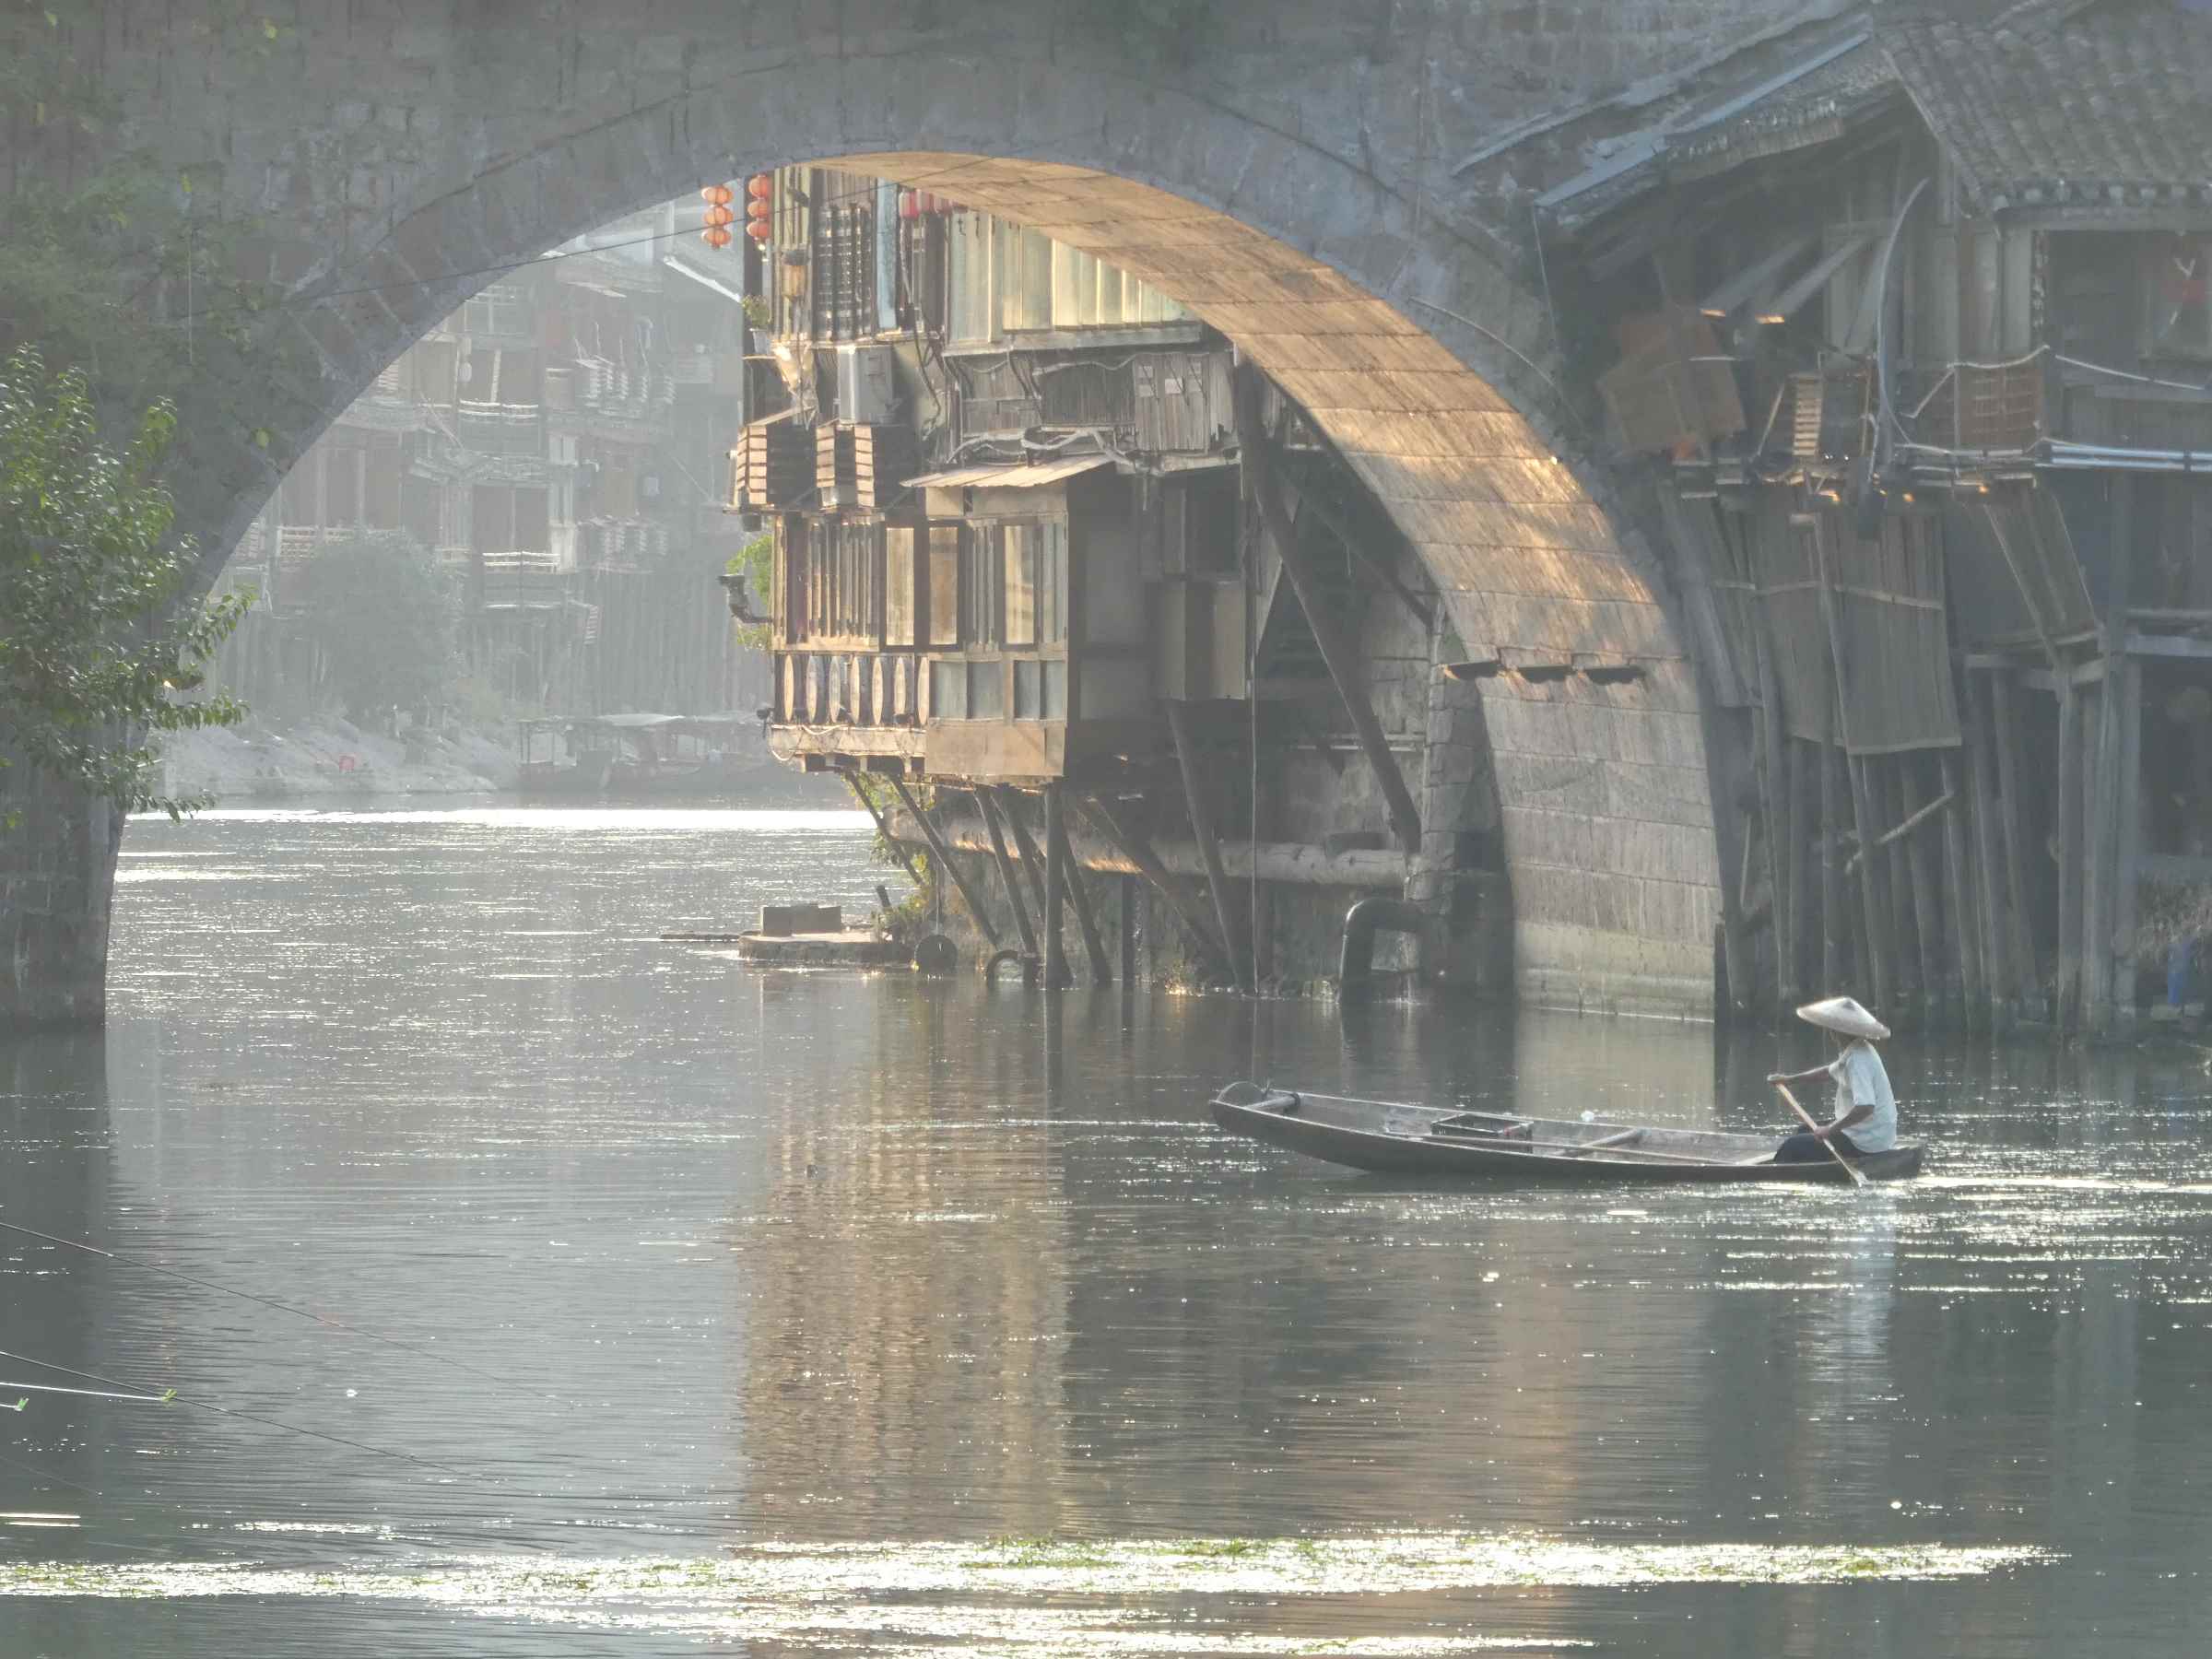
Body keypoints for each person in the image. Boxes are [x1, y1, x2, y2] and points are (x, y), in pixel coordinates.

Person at [1765, 995, 1896, 1164]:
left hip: (1866, 1140)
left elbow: (1866, 1107)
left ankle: (1777, 1175)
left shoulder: (1858, 1060)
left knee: (1792, 1146)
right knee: (1803, 1131)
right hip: (1869, 1133)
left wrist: (1830, 1129)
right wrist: (1790, 1080)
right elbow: (1828, 1072)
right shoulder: (1857, 1049)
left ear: (1837, 1032)